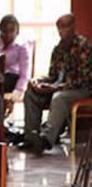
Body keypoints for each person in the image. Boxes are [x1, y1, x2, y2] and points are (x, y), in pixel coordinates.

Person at [19, 13, 92, 154]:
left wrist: (56, 88)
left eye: (65, 27)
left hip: (81, 89)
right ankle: (30, 138)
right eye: (59, 28)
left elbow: (84, 79)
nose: (61, 31)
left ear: (73, 27)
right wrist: (38, 81)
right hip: (59, 88)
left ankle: (46, 140)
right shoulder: (58, 49)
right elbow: (53, 76)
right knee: (31, 93)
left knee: (59, 98)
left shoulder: (83, 46)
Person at [0, 14, 31, 101]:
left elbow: (24, 74)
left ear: (17, 32)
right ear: (0, 30)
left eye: (11, 31)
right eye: (4, 31)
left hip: (11, 76)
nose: (8, 35)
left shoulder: (22, 47)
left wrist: (18, 90)